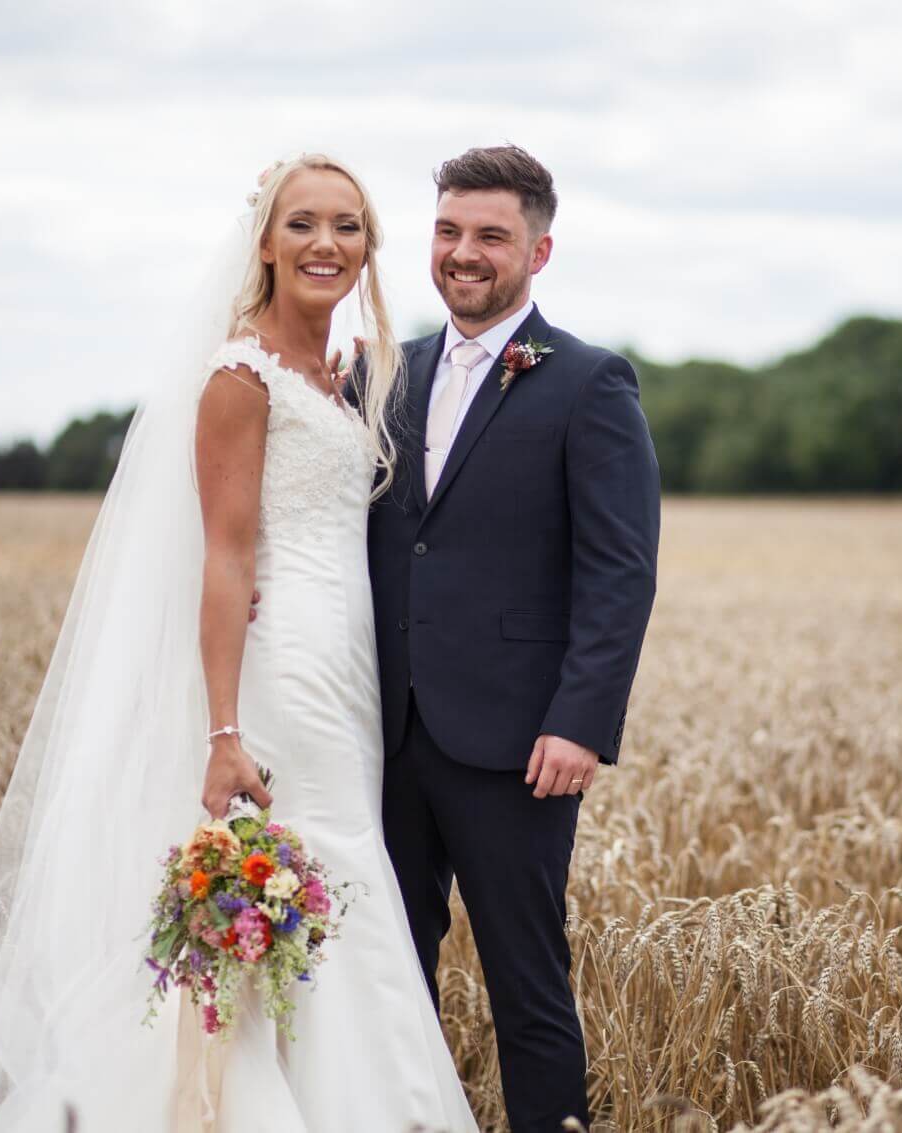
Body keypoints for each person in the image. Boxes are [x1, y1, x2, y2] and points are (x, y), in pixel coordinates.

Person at [0, 154, 476, 1132]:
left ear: (368, 248)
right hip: (282, 668)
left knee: (338, 866)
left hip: (349, 668)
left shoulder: (338, 373)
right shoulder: (239, 373)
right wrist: (224, 726)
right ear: (263, 241)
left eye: (347, 226)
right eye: (301, 223)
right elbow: (223, 557)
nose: (325, 243)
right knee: (322, 862)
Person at [363, 144, 662, 1132]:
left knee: (525, 987)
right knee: (385, 981)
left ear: (539, 249)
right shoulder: (387, 373)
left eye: (489, 235)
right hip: (384, 734)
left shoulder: (586, 381)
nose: (462, 253)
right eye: (447, 231)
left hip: (515, 747)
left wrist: (580, 720)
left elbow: (618, 568)